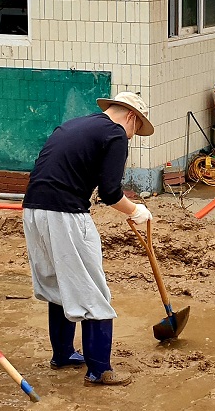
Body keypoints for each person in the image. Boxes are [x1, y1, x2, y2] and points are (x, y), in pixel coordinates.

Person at [23, 92, 155, 386]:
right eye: (136, 130)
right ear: (132, 117)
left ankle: (63, 354)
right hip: (65, 214)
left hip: (33, 210)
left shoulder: (75, 126)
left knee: (58, 285)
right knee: (93, 291)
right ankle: (100, 370)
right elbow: (110, 193)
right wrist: (136, 211)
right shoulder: (116, 134)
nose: (132, 137)